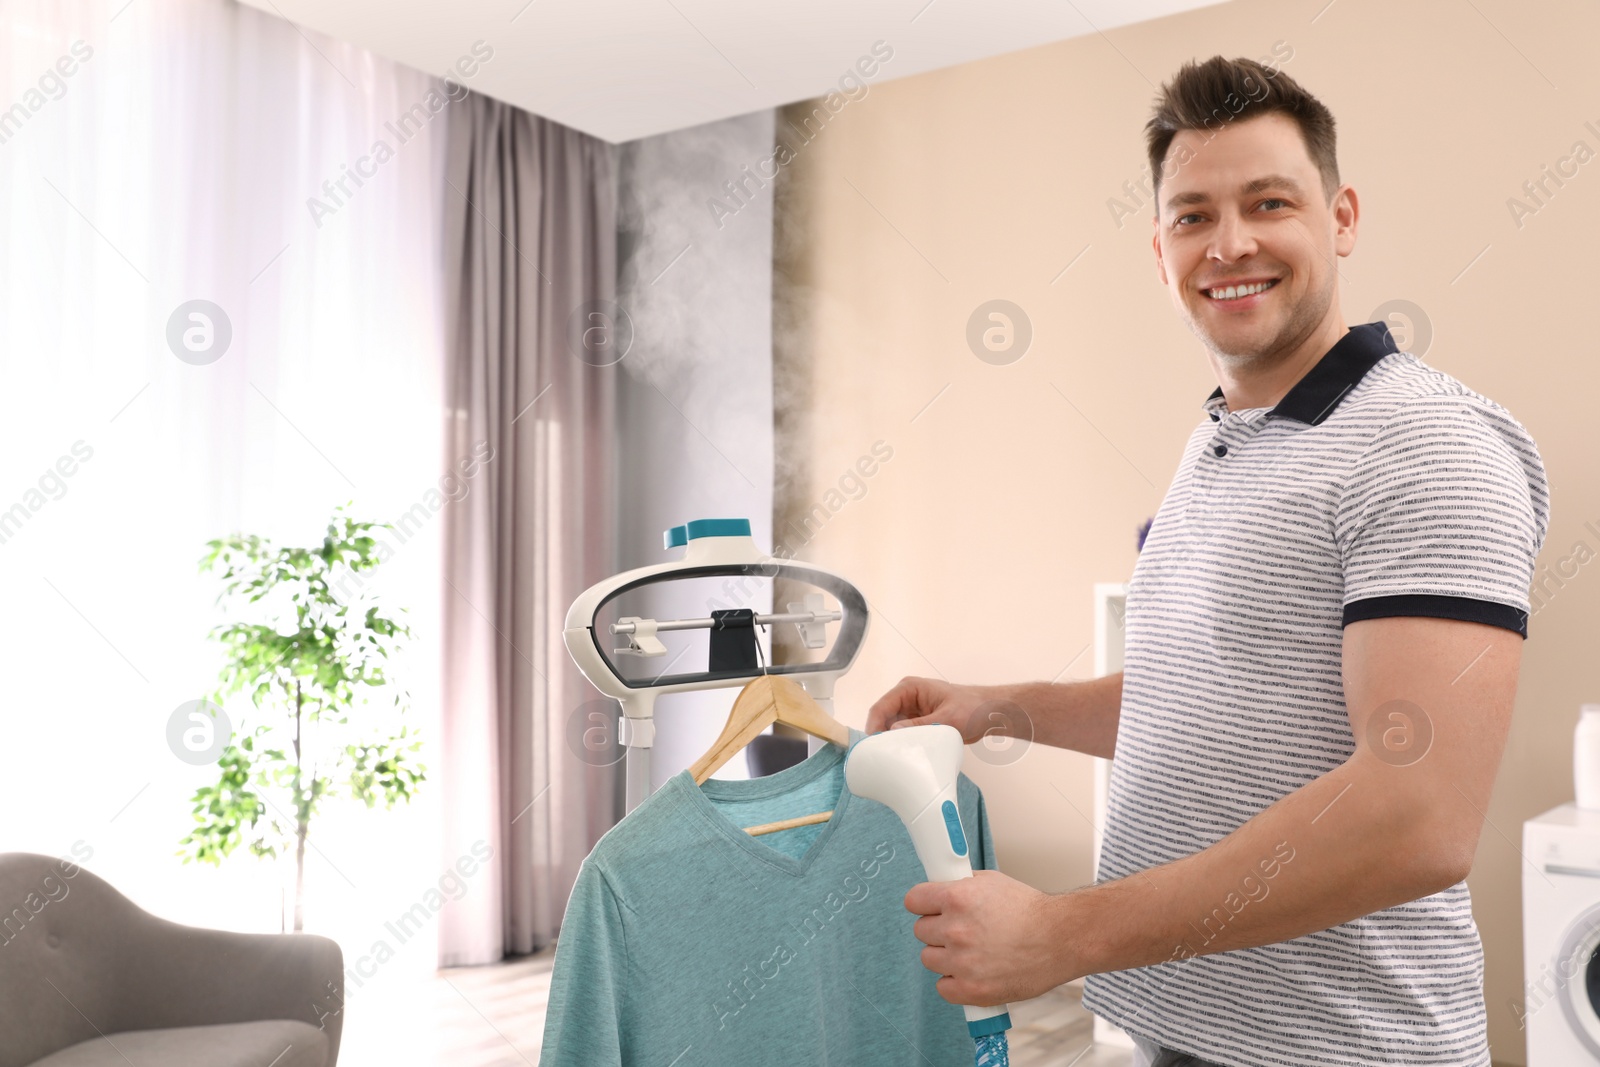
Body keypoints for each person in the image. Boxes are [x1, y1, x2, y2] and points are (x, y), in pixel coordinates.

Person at [865, 55, 1549, 1067]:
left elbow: (1416, 817)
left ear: (1341, 216)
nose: (1229, 243)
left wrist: (1062, 932)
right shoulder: (1226, 436)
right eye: (1192, 216)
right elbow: (1215, 693)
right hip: (1183, 1033)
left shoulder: (1426, 444)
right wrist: (996, 706)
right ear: (1158, 249)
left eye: (1267, 202)